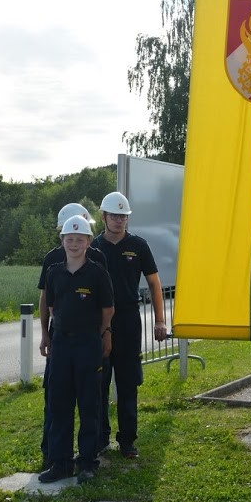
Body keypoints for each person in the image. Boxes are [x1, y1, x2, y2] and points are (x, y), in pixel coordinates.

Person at [39, 215, 114, 484]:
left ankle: (87, 462)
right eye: (69, 239)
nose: (73, 243)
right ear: (62, 242)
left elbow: (108, 309)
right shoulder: (54, 273)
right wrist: (46, 335)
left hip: (88, 343)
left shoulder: (97, 272)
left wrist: (105, 333)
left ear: (88, 242)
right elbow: (50, 307)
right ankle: (60, 463)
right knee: (59, 404)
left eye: (79, 239)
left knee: (89, 403)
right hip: (61, 343)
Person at [92, 191, 167, 458]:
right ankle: (100, 438)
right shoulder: (94, 248)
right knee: (99, 382)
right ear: (104, 217)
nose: (119, 220)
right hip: (99, 322)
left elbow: (154, 283)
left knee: (127, 383)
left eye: (123, 216)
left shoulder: (138, 245)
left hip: (128, 320)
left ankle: (127, 441)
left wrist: (160, 320)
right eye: (114, 215)